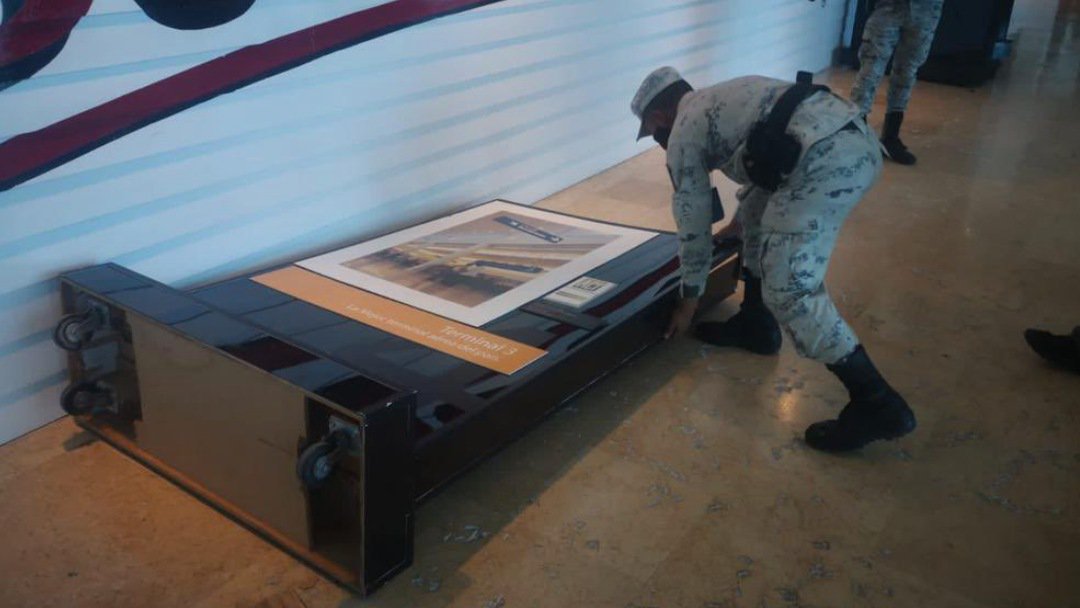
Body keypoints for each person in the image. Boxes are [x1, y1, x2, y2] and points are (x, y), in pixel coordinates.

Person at [631, 66, 916, 452]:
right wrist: (739, 222)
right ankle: (756, 323)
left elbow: (693, 221)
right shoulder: (727, 91)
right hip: (854, 141)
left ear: (659, 116)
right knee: (752, 216)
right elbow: (770, 147)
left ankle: (876, 402)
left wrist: (690, 298)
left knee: (791, 290)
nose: (658, 141)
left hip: (825, 164)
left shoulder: (683, 130)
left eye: (652, 132)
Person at [849, 0, 945, 165]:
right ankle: (854, 137)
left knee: (906, 73)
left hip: (927, 10)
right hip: (888, 7)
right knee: (870, 71)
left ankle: (890, 137)